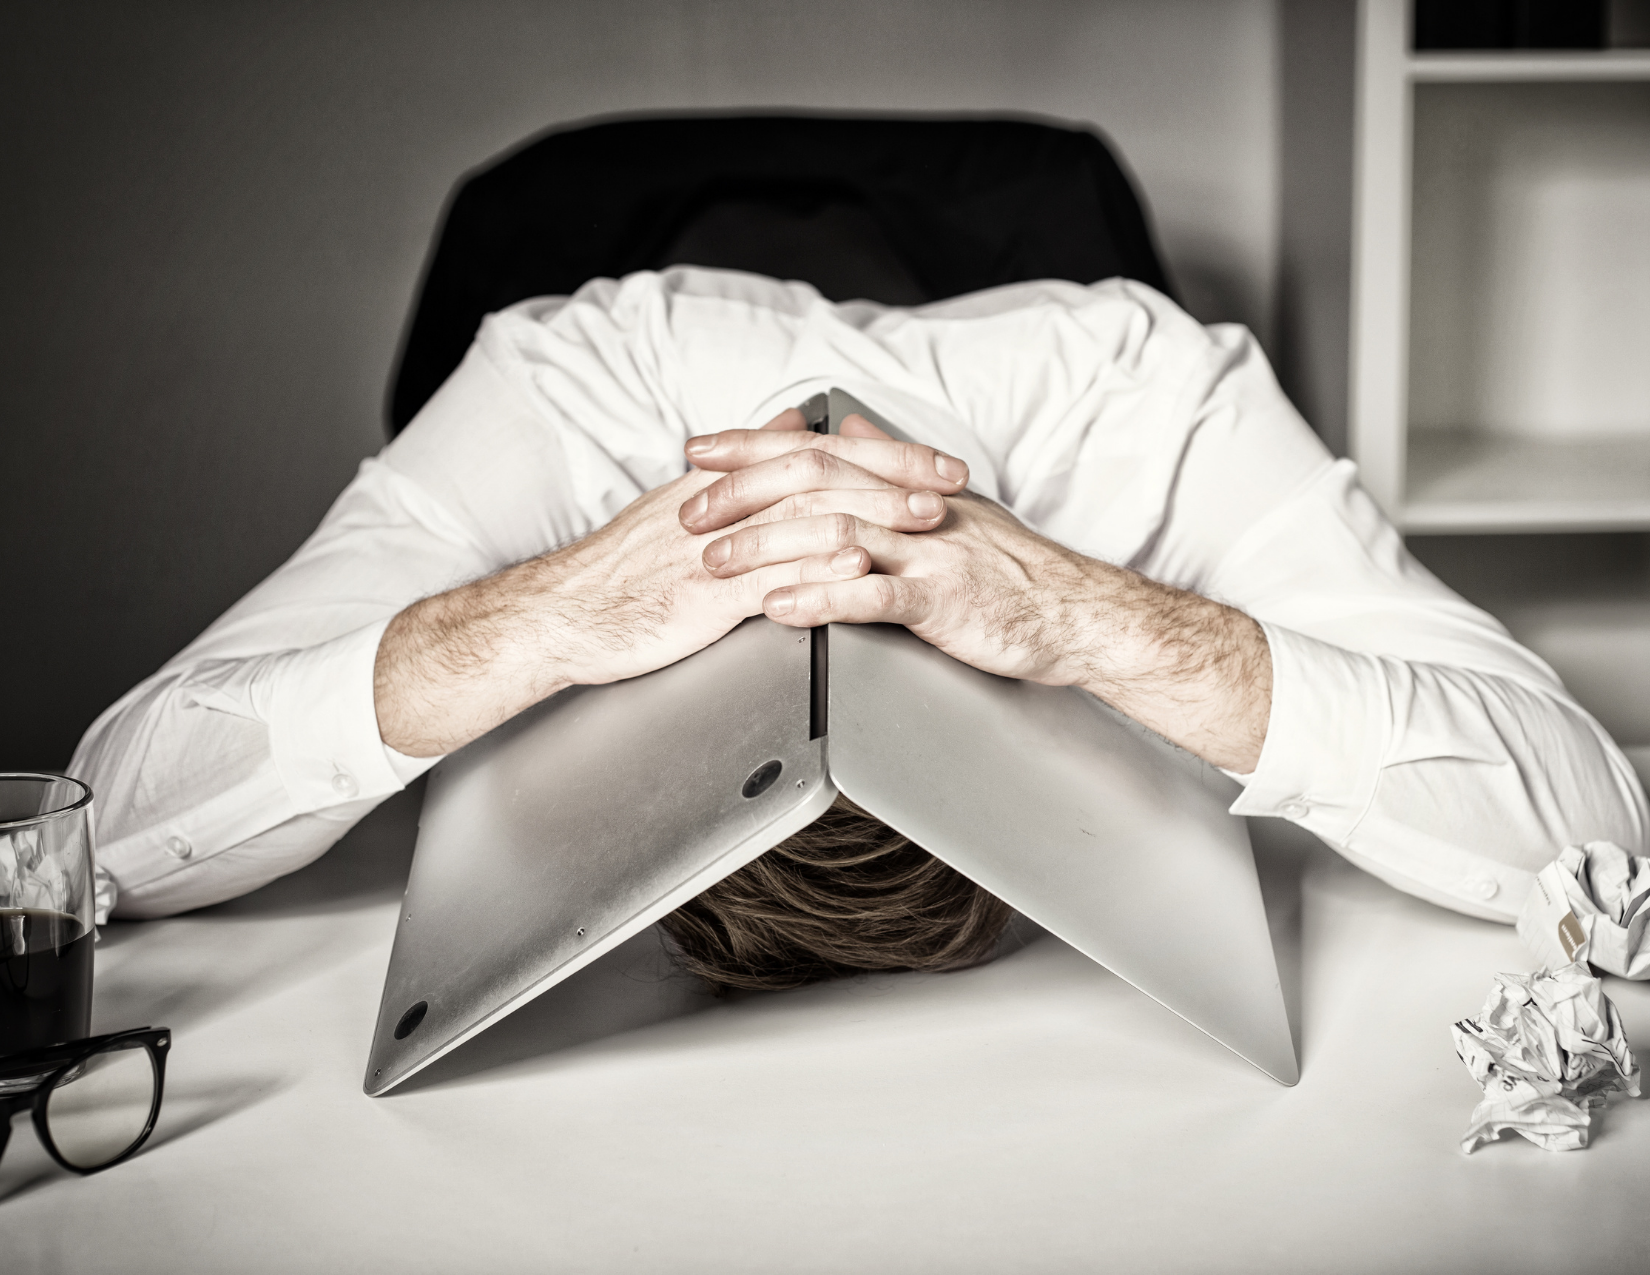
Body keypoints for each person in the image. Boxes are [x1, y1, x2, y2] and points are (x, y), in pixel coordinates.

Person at [72, 269, 1646, 988]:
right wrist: (545, 615)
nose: (830, 584)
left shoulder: (1161, 398)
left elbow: (1598, 839)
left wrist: (1083, 615)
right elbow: (88, 843)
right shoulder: (553, 389)